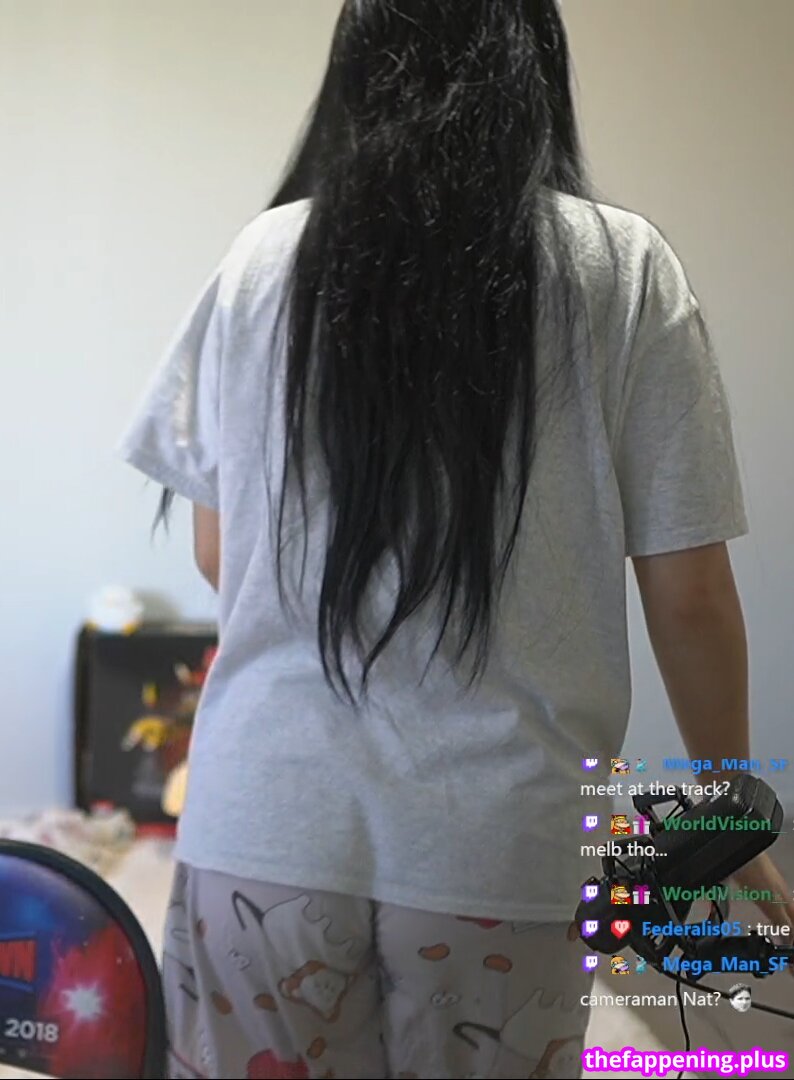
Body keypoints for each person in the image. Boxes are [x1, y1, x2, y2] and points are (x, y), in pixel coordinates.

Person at [117, 2, 794, 1077]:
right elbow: (691, 596)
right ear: (532, 65)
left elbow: (220, 552)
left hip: (264, 828)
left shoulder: (264, 257)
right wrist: (723, 817)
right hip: (503, 847)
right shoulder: (621, 268)